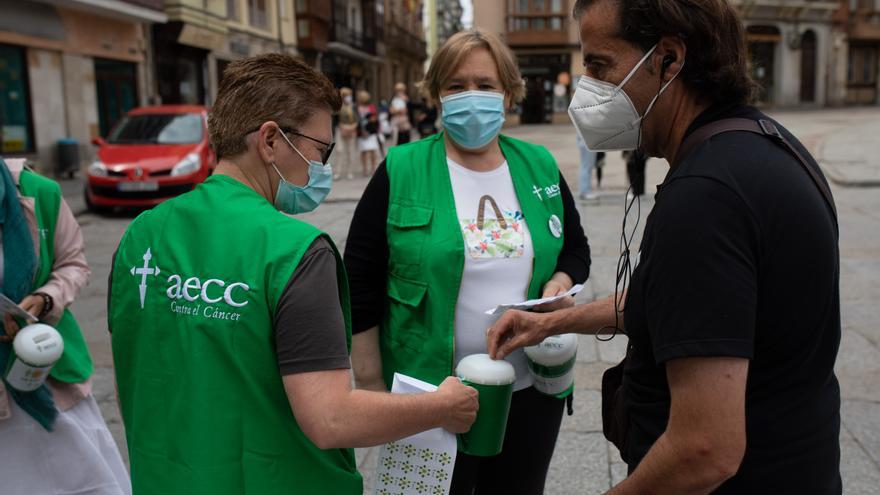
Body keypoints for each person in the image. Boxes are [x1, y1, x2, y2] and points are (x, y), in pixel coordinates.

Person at [489, 1, 841, 494]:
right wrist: (550, 321)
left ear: (669, 58)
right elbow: (685, 305)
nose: (586, 87)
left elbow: (705, 450)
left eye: (599, 66)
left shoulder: (708, 197)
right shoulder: (765, 143)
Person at [108, 54, 477, 495]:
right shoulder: (294, 252)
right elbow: (330, 418)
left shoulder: (142, 235)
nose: (322, 168)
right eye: (320, 149)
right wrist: (440, 407)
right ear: (269, 140)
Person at [344, 30, 591, 495]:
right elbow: (359, 279)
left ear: (509, 92)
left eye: (485, 83)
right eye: (456, 86)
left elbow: (575, 248)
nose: (471, 97)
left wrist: (560, 281)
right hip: (428, 396)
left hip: (529, 390)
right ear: (436, 93)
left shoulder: (538, 165)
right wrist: (373, 388)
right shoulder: (402, 168)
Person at [0, 158, 130, 495]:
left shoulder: (38, 193)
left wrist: (45, 298)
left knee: (81, 478)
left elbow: (73, 264)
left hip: (44, 370)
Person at [334, 87, 358, 180]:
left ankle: (350, 172)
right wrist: (342, 127)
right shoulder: (338, 106)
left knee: (351, 151)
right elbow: (335, 119)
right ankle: (337, 172)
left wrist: (352, 127)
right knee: (339, 151)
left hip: (352, 130)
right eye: (347, 95)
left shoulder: (353, 106)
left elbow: (357, 119)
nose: (348, 97)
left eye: (349, 95)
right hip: (340, 130)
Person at [357, 90, 381, 176]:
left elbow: (375, 118)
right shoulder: (357, 108)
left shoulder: (371, 107)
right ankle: (365, 168)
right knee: (363, 151)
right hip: (362, 132)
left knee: (372, 150)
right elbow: (356, 119)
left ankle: (373, 167)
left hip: (371, 131)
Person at [576, 129, 598, 200]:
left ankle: (585, 190)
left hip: (585, 140)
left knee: (586, 166)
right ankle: (585, 191)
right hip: (587, 140)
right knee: (587, 166)